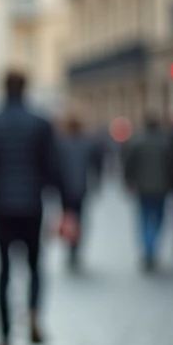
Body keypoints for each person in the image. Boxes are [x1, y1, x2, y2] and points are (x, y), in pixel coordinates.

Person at [0, 70, 61, 345]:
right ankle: (33, 313)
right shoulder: (42, 124)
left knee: (4, 270)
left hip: (0, 206)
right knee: (34, 264)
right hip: (32, 204)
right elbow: (53, 167)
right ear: (26, 87)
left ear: (3, 87)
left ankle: (5, 341)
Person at [122, 117, 173, 271]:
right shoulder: (165, 142)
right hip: (161, 187)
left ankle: (148, 248)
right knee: (158, 217)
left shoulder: (137, 142)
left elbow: (129, 164)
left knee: (144, 217)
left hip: (143, 187)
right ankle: (151, 246)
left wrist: (128, 181)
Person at [55, 113, 103, 271]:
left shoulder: (60, 144)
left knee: (68, 216)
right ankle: (75, 246)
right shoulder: (88, 143)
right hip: (81, 186)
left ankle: (70, 244)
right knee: (79, 217)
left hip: (64, 188)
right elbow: (96, 165)